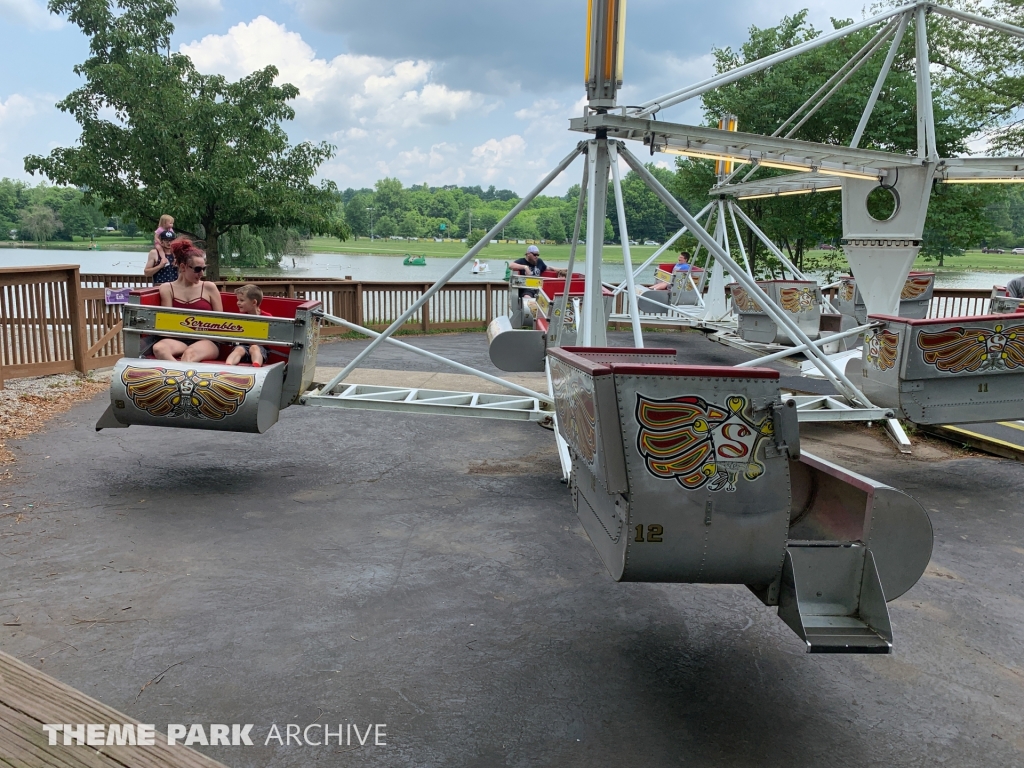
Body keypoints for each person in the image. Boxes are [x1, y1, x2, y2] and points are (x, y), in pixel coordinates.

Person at [150, 239, 223, 363]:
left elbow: (220, 321)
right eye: (197, 269)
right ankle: (179, 373)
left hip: (206, 341)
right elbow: (166, 323)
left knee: (190, 354)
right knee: (159, 348)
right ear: (183, 267)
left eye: (204, 269)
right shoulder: (167, 288)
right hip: (178, 339)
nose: (201, 273)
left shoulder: (209, 287)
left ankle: (178, 374)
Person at [225, 284, 272, 367]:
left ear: (254, 302)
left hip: (260, 347)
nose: (238, 303)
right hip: (243, 346)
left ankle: (256, 366)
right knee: (239, 349)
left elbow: (271, 337)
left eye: (241, 300)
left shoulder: (267, 317)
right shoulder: (240, 317)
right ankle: (228, 366)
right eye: (238, 300)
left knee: (254, 348)